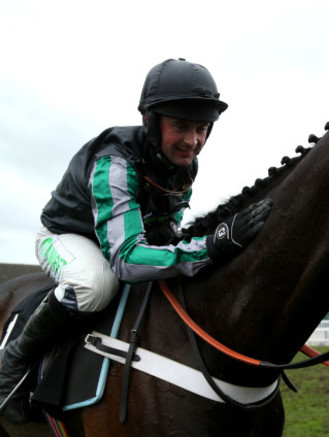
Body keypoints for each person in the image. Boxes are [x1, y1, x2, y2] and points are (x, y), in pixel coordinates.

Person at [0, 58, 273, 423]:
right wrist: (212, 246)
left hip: (120, 240)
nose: (192, 141)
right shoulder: (115, 163)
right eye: (181, 127)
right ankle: (11, 363)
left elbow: (167, 229)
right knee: (95, 285)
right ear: (151, 121)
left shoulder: (186, 165)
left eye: (202, 129)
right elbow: (127, 259)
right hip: (68, 237)